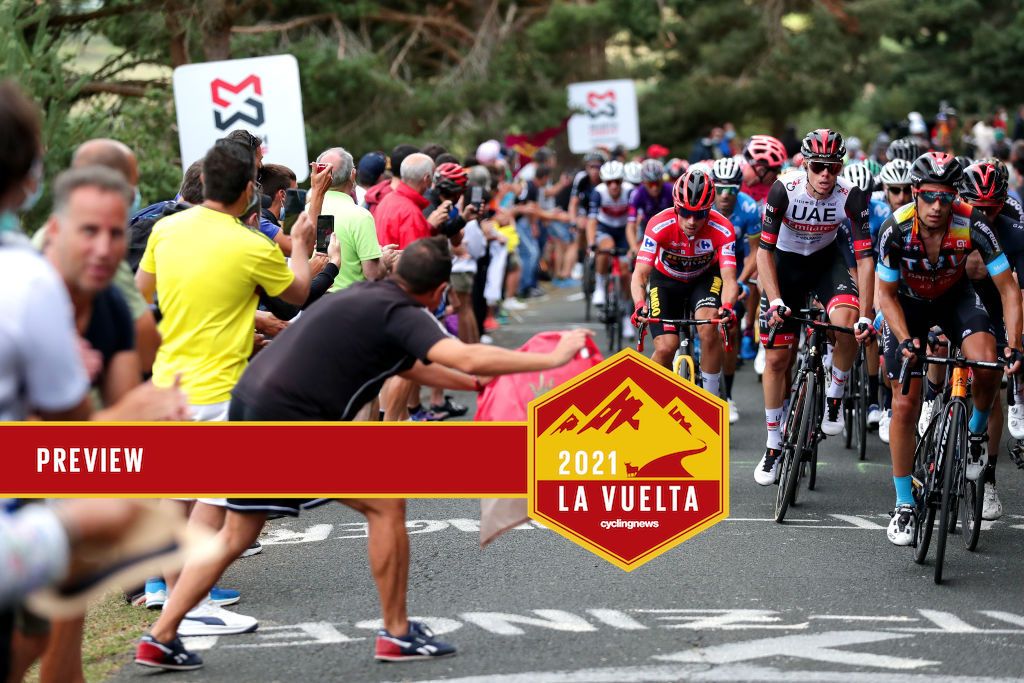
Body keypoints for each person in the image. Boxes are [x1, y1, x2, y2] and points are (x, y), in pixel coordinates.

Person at [134, 236, 593, 671]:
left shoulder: (361, 297)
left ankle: (161, 637)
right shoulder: (404, 312)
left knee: (237, 533)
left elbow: (418, 366)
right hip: (291, 424)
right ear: (436, 292)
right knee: (385, 501)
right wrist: (552, 360)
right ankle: (396, 633)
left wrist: (478, 384)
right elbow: (467, 356)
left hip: (251, 407)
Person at [876, 152, 1022, 545]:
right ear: (915, 194)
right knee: (905, 402)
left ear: (954, 196)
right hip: (907, 303)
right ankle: (905, 503)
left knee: (989, 365)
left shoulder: (972, 221)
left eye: (945, 197)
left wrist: (1015, 344)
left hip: (955, 298)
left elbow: (1008, 288)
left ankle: (974, 435)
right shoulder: (895, 227)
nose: (937, 206)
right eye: (928, 197)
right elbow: (884, 296)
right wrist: (906, 339)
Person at [754, 129, 875, 486]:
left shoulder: (851, 197)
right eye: (819, 166)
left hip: (826, 264)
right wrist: (775, 300)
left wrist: (867, 313)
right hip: (786, 267)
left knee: (846, 324)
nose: (826, 175)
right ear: (806, 164)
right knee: (777, 358)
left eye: (833, 168)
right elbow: (764, 252)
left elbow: (865, 260)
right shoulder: (783, 190)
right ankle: (774, 444)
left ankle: (835, 394)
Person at [631, 168, 739, 400]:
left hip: (703, 279)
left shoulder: (723, 229)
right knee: (666, 347)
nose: (692, 221)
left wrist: (728, 306)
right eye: (685, 212)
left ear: (709, 210)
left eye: (700, 214)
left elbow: (729, 278)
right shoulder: (658, 225)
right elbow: (640, 274)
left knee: (710, 327)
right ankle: (646, 401)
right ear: (676, 206)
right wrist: (640, 304)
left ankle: (711, 400)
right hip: (666, 281)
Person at [959, 161, 1024, 520]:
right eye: (976, 206)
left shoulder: (1013, 230)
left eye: (991, 207)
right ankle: (932, 403)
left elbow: (1019, 293)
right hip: (955, 294)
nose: (983, 214)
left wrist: (1017, 342)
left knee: (990, 380)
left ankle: (988, 479)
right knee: (937, 345)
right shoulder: (949, 221)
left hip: (997, 298)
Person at [710, 156, 761, 420]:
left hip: (735, 268)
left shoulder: (750, 209)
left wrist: (741, 281)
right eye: (720, 188)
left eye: (731, 189)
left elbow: (755, 252)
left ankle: (727, 396)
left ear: (740, 188)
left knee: (729, 328)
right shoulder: (704, 206)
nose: (725, 195)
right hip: (706, 268)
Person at [315, 146, 388, 292]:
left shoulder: (302, 211)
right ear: (352, 175)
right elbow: (372, 273)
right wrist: (385, 260)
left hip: (309, 304)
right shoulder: (360, 216)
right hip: (348, 303)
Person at [587, 161, 633, 323]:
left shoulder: (629, 192)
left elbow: (636, 220)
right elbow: (591, 221)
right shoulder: (598, 193)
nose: (613, 186)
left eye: (617, 181)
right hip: (604, 227)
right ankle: (599, 287)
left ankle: (627, 315)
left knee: (625, 271)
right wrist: (591, 242)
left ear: (622, 181)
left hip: (623, 230)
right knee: (605, 248)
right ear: (604, 182)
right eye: (609, 182)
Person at [375, 153, 452, 249]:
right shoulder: (411, 213)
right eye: (433, 176)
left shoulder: (386, 200)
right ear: (427, 178)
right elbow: (416, 259)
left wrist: (428, 227)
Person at [625, 159, 673, 250]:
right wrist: (633, 246)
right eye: (650, 184)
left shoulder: (670, 190)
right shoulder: (637, 193)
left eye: (657, 183)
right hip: (647, 227)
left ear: (662, 180)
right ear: (644, 182)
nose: (654, 188)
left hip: (669, 226)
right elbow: (631, 224)